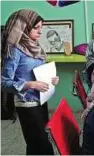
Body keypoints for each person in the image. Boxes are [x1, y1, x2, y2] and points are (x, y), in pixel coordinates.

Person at [1, 9, 59, 155]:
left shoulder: (35, 47)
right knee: (42, 145)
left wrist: (51, 79)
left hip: (41, 100)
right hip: (26, 104)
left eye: (41, 27)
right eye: (36, 27)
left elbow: (36, 72)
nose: (40, 32)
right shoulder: (14, 50)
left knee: (36, 144)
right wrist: (30, 84)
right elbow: (3, 82)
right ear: (23, 27)